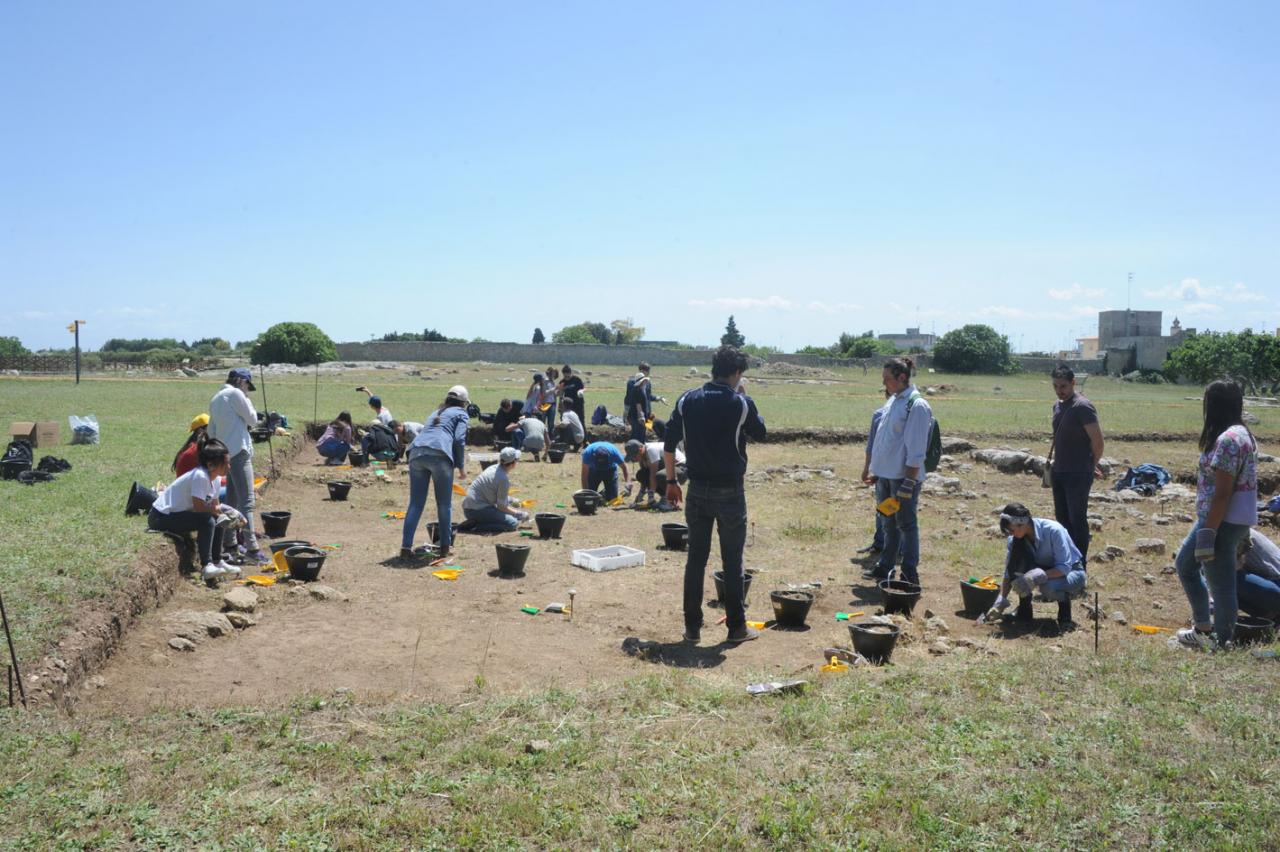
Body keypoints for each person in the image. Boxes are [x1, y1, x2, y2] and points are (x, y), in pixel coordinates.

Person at [663, 345, 767, 645]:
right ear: (736, 373)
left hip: (696, 490)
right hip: (730, 492)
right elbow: (760, 433)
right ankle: (736, 627)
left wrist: (671, 481)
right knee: (732, 561)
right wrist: (745, 397)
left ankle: (692, 627)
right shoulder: (740, 403)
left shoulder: (687, 400)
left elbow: (669, 444)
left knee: (696, 559)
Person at [1175, 379, 1258, 650]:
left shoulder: (1229, 440)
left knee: (1220, 582)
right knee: (1187, 565)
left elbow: (1223, 492)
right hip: (1225, 518)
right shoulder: (1241, 434)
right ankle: (1203, 628)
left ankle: (1222, 641)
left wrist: (1208, 532)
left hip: (1220, 519)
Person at [865, 356, 933, 585]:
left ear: (902, 377)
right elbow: (885, 439)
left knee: (905, 524)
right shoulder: (894, 401)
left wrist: (909, 482)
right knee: (887, 523)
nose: (884, 384)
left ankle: (909, 572)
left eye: (887, 379)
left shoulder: (917, 405)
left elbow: (916, 449)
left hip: (902, 480)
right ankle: (885, 566)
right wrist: (876, 470)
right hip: (885, 477)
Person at [980, 502, 1086, 629]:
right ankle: (1024, 613)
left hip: (1071, 572)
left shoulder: (1053, 530)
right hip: (1044, 569)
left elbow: (1064, 567)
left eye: (1012, 530)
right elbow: (1010, 572)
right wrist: (1001, 601)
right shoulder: (1014, 539)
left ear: (1022, 523)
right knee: (1018, 572)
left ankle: (1065, 616)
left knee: (1047, 587)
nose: (1011, 533)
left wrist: (1038, 576)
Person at [148, 438, 240, 581]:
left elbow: (215, 506)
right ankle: (206, 565)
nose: (229, 466)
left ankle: (217, 560)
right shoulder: (200, 476)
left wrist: (235, 516)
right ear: (210, 465)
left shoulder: (214, 478)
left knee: (218, 518)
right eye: (225, 463)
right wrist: (220, 510)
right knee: (207, 520)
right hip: (160, 517)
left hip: (175, 515)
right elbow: (199, 507)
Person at [208, 368, 269, 565]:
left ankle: (230, 545)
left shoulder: (216, 398)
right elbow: (252, 419)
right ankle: (252, 548)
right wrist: (247, 400)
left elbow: (212, 431)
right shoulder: (235, 394)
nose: (248, 392)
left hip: (225, 455)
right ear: (242, 382)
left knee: (233, 500)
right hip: (239, 453)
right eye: (247, 387)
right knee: (247, 501)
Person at [402, 386, 470, 561]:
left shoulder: (436, 412)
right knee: (444, 504)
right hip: (439, 455)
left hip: (416, 453)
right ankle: (445, 548)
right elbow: (459, 439)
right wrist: (461, 466)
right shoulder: (461, 413)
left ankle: (405, 547)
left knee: (416, 503)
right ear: (464, 402)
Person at [1049, 365, 1104, 563]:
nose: (1059, 390)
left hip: (1078, 473)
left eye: (1063, 386)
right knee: (1062, 520)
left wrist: (1091, 464)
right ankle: (1066, 560)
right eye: (1055, 386)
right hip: (1060, 470)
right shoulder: (1057, 405)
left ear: (1073, 383)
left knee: (1077, 520)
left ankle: (1079, 565)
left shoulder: (1083, 407)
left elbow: (1097, 442)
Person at [855, 390, 892, 557]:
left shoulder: (880, 414)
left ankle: (885, 543)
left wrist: (867, 468)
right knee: (888, 507)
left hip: (887, 469)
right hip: (893, 469)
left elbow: (871, 446)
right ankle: (883, 542)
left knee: (885, 508)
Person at [462, 447, 526, 531]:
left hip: (468, 508)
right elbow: (502, 507)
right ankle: (475, 527)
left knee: (506, 516)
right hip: (477, 511)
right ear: (512, 463)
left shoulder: (493, 468)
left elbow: (493, 494)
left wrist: (511, 500)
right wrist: (519, 514)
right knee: (512, 523)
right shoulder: (503, 479)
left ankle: (476, 522)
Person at [1237, 529, 1280, 623]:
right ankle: (1270, 618)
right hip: (1271, 581)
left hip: (1276, 582)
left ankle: (1271, 616)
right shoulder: (1236, 525)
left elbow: (1233, 567)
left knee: (1225, 578)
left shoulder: (1234, 531)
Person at [635, 437, 685, 509]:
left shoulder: (651, 450)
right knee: (641, 474)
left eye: (634, 456)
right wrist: (641, 493)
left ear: (640, 450)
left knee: (660, 475)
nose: (634, 459)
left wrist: (650, 496)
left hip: (681, 468)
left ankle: (671, 502)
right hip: (669, 468)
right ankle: (664, 497)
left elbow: (653, 474)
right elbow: (646, 476)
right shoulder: (643, 456)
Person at [624, 362, 657, 443]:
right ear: (642, 370)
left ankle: (638, 449)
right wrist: (627, 412)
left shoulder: (647, 383)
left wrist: (658, 398)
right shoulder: (632, 384)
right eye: (647, 371)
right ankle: (634, 450)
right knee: (637, 433)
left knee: (642, 432)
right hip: (636, 414)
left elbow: (648, 397)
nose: (648, 373)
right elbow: (633, 401)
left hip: (645, 412)